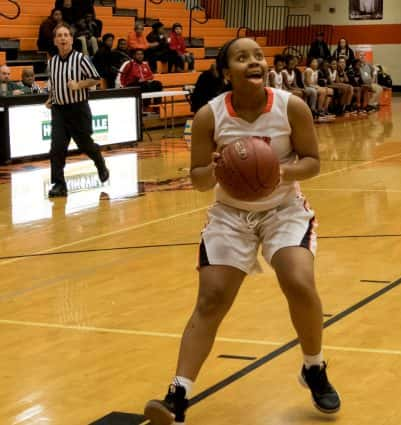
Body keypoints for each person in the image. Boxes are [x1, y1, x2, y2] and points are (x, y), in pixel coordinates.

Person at [143, 37, 340, 424]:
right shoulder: (209, 116)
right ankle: (178, 395)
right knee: (212, 299)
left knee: (298, 281)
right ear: (225, 72)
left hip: (283, 209)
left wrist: (279, 172)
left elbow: (314, 162)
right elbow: (199, 180)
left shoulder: (291, 106)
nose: (254, 61)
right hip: (230, 214)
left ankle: (313, 367)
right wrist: (219, 168)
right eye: (242, 57)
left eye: (257, 55)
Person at [46, 23, 109, 197]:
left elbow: (96, 79)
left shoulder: (80, 58)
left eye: (66, 35)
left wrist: (78, 84)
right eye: (59, 35)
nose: (63, 38)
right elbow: (54, 85)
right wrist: (51, 98)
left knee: (85, 145)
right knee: (57, 147)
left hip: (78, 108)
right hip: (59, 110)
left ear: (72, 40)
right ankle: (59, 184)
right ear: (55, 41)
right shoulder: (52, 63)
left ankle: (99, 162)